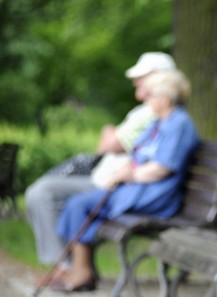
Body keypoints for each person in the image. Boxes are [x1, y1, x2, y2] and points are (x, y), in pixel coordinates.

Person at [27, 52, 176, 281]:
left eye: (142, 77)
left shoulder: (155, 115)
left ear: (162, 80)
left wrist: (112, 137)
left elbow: (110, 146)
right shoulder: (148, 113)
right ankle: (69, 266)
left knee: (52, 196)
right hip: (111, 179)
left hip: (118, 184)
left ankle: (70, 268)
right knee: (55, 196)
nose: (136, 82)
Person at [49, 69, 200, 292]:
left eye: (151, 95)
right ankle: (79, 270)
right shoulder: (158, 123)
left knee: (80, 204)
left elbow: (163, 168)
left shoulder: (178, 124)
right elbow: (138, 154)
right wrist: (124, 170)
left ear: (165, 99)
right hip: (136, 188)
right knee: (79, 203)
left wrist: (128, 176)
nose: (146, 99)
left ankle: (82, 272)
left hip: (156, 194)